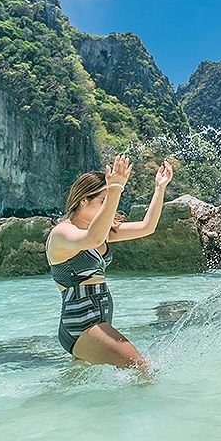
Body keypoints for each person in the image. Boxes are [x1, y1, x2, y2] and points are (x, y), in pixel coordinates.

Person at [46, 154, 174, 371]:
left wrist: (160, 188)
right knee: (140, 369)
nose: (109, 207)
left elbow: (147, 227)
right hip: (82, 322)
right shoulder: (62, 232)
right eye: (102, 201)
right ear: (83, 200)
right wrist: (115, 187)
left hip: (98, 320)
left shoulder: (101, 231)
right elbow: (92, 240)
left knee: (76, 389)